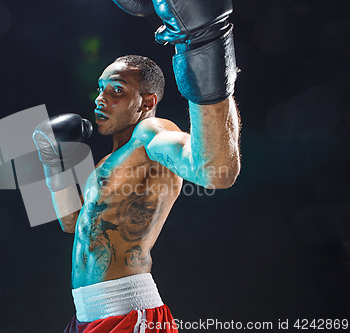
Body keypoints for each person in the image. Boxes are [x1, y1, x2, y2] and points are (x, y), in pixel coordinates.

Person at [33, 0, 241, 332]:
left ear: (147, 103)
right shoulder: (108, 162)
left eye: (117, 90)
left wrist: (204, 44)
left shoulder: (151, 134)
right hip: (86, 315)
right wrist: (51, 161)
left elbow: (215, 169)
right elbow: (72, 224)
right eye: (101, 88)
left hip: (130, 314)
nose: (101, 98)